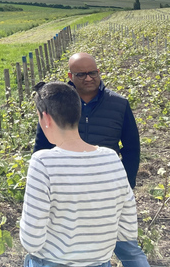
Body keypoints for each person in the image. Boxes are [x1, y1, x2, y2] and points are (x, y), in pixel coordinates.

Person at [33, 52, 148, 267]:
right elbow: (41, 145)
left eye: (93, 73)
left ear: (99, 72)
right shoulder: (58, 104)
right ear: (70, 75)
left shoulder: (119, 104)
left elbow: (132, 148)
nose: (88, 78)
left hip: (105, 187)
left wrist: (125, 184)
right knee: (72, 245)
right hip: (66, 190)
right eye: (81, 74)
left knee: (128, 247)